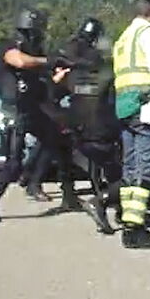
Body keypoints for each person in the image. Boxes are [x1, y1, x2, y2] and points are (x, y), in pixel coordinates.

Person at [0, 8, 81, 223]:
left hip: (33, 109)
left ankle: (69, 195)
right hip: (14, 112)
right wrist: (48, 61)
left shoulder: (35, 52)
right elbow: (20, 62)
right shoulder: (8, 45)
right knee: (13, 164)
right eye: (37, 31)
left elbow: (45, 83)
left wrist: (62, 71)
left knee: (60, 141)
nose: (40, 35)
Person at [112, 0, 150, 250]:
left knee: (130, 165)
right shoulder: (148, 35)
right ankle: (134, 230)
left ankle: (129, 221)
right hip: (145, 107)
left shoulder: (123, 39)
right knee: (144, 168)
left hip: (125, 108)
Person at [51, 17, 122, 235]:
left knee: (104, 167)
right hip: (102, 133)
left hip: (79, 133)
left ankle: (115, 207)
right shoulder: (108, 73)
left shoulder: (71, 74)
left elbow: (54, 94)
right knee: (126, 175)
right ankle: (101, 201)